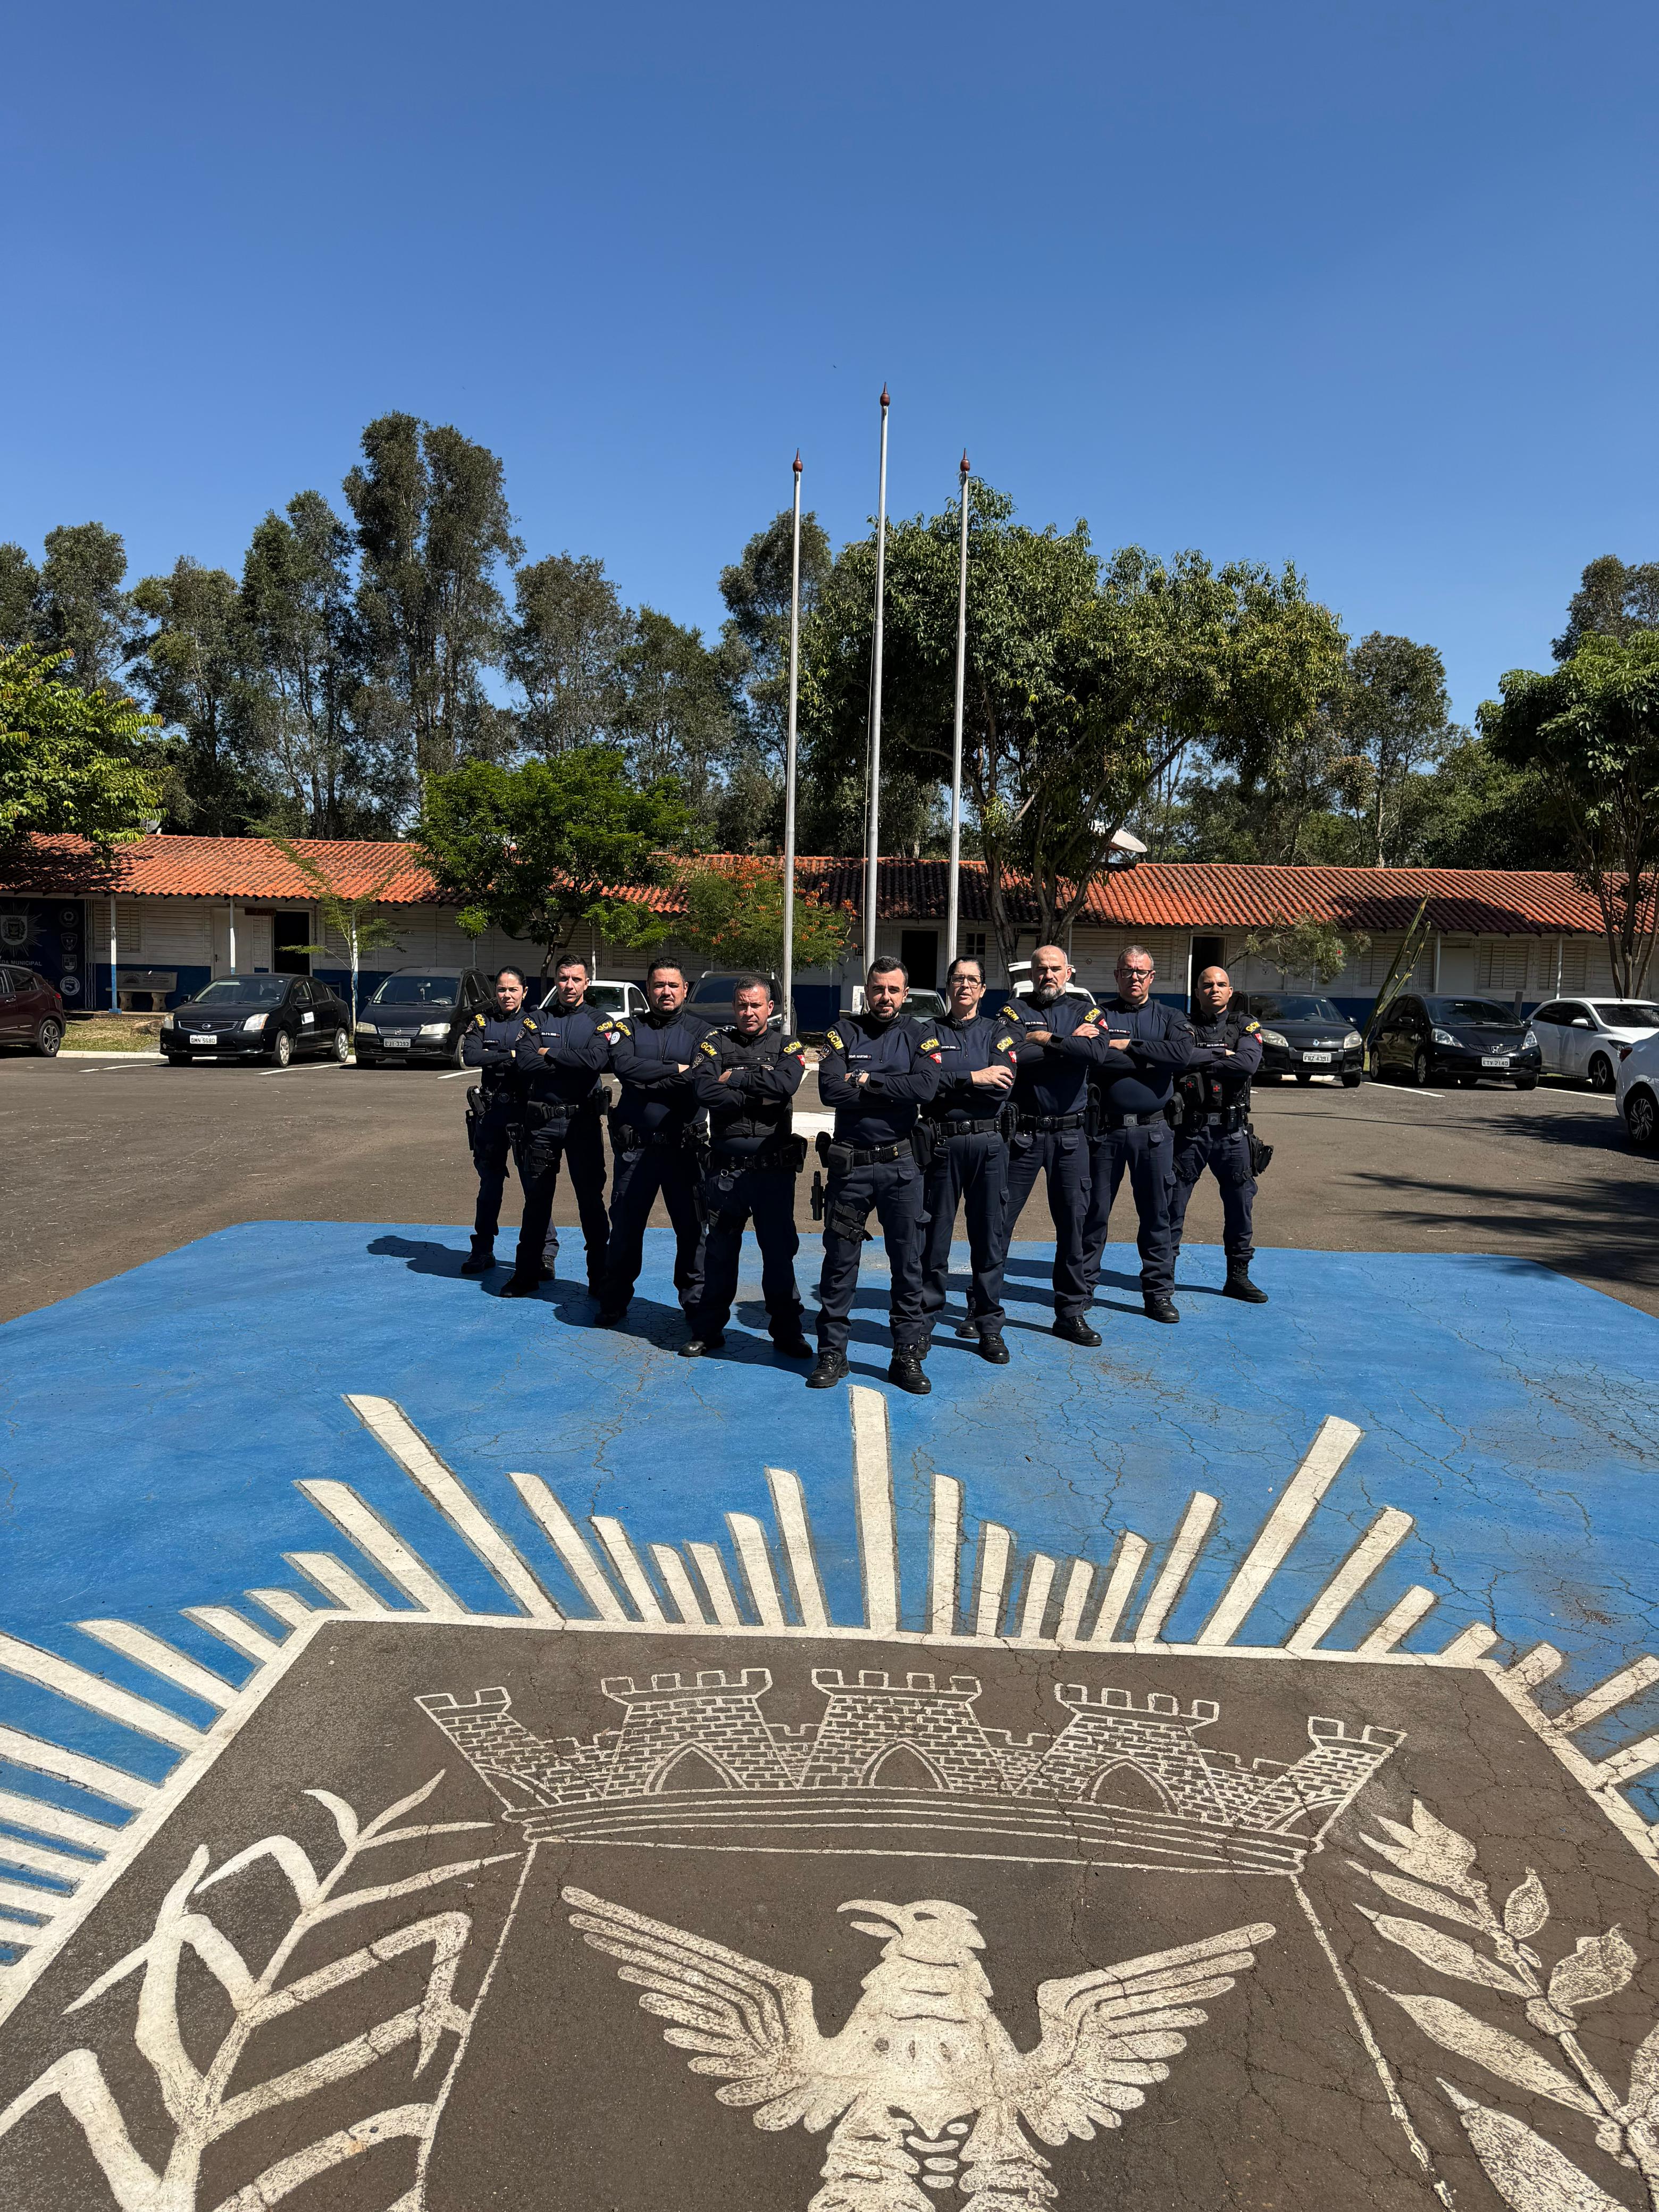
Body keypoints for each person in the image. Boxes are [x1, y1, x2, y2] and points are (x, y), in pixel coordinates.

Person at [808, 957, 943, 1395]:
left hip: (901, 1167)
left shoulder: (921, 1035)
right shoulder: (842, 1032)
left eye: (893, 990)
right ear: (867, 990)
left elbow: (925, 1088)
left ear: (905, 994)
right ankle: (832, 1352)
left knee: (907, 1264)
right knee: (839, 1263)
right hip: (850, 1169)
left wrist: (866, 1080)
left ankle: (906, 1354)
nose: (885, 997)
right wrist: (891, 1086)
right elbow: (830, 1090)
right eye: (878, 988)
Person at [683, 976, 812, 1360]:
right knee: (720, 1253)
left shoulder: (787, 1046)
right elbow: (703, 1089)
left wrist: (734, 1078)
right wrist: (758, 1093)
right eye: (742, 1005)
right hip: (726, 1174)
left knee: (778, 1254)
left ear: (770, 1008)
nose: (749, 1012)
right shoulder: (715, 1043)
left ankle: (787, 1333)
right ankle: (708, 1330)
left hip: (772, 1173)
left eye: (756, 1005)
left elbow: (785, 1086)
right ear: (734, 1007)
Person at [998, 944, 1110, 1347]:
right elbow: (1012, 1055)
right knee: (999, 1222)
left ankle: (1070, 1312)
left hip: (1070, 1137)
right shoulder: (1013, 1010)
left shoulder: (1088, 1012)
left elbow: (1096, 1051)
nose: (1048, 975)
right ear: (1031, 973)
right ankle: (983, 1309)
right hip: (1023, 1135)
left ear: (1069, 972)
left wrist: (1044, 1038)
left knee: (1074, 1225)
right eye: (1041, 969)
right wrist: (1067, 1046)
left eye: (1055, 968)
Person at [1080, 945, 1194, 1325]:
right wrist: (1151, 1059)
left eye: (1141, 972)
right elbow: (1094, 1056)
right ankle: (1082, 1289)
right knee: (1093, 1213)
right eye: (1127, 971)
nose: (1134, 977)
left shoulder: (1170, 1016)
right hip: (1106, 1133)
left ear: (1152, 976)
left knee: (1157, 1215)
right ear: (1116, 975)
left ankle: (1158, 1294)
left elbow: (1181, 1056)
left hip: (1154, 1132)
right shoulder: (1098, 1015)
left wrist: (1127, 1046)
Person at [595, 958, 711, 1328]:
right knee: (625, 1228)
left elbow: (701, 1077)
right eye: (659, 985)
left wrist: (650, 1079)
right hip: (636, 1150)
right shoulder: (628, 1028)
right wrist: (677, 1071)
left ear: (685, 989)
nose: (666, 992)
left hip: (684, 1151)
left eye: (673, 985)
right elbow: (623, 1068)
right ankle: (614, 1301)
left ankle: (695, 1302)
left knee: (692, 1230)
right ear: (648, 989)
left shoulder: (704, 1033)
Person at [920, 956, 1020, 1363]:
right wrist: (975, 1076)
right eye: (958, 979)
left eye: (972, 980)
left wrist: (950, 1080)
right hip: (941, 1145)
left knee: (989, 1238)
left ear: (982, 989)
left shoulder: (998, 1032)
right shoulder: (927, 1033)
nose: (964, 986)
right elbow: (923, 1085)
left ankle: (988, 1325)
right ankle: (923, 1323)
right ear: (948, 986)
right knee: (933, 1240)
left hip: (988, 1145)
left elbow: (1003, 1086)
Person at [497, 956, 613, 1300]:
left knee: (591, 1202)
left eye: (576, 979)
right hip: (543, 1124)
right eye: (563, 979)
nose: (569, 985)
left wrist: (548, 1052)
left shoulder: (600, 1021)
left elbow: (597, 1061)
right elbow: (525, 1061)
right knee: (536, 1201)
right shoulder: (536, 1020)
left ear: (587, 983)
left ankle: (600, 1278)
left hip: (583, 1123)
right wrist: (570, 1060)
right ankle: (526, 1274)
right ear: (555, 982)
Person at [1171, 964, 1269, 1304]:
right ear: (1197, 991)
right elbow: (1176, 1059)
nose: (1214, 989)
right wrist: (1221, 1055)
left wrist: (1200, 1061)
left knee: (1240, 1205)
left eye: (1221, 984)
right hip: (1190, 1132)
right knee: (1172, 1204)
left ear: (1230, 991)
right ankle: (1163, 1276)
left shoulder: (1245, 1025)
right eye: (1207, 985)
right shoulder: (1182, 1025)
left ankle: (1237, 1276)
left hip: (1232, 1134)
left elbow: (1247, 1063)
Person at [460, 967, 538, 1276]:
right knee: (489, 1185)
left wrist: (496, 1054)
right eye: (502, 990)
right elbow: (471, 1056)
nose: (507, 995)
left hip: (524, 1113)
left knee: (535, 1186)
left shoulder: (535, 1022)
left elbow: (535, 1059)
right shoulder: (483, 1021)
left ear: (524, 992)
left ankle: (544, 1252)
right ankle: (482, 1250)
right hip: (491, 1114)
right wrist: (511, 1055)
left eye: (513, 990)